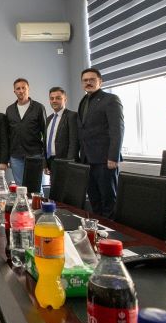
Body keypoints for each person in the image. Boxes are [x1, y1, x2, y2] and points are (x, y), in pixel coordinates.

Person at [78, 68, 124, 218]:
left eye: (92, 79)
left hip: (105, 160)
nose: (88, 82)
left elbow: (117, 129)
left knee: (108, 201)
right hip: (87, 160)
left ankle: (111, 231)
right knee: (94, 200)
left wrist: (113, 157)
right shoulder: (84, 101)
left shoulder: (111, 100)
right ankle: (98, 229)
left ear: (100, 81)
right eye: (85, 80)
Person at [5, 78, 47, 185]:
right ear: (14, 91)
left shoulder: (39, 107)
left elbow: (45, 132)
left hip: (35, 154)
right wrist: (7, 157)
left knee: (36, 187)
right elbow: (7, 134)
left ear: (28, 89)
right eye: (18, 88)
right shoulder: (10, 109)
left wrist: (45, 157)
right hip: (15, 156)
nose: (21, 91)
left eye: (23, 88)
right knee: (20, 187)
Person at [44, 87, 79, 173]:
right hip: (50, 161)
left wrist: (69, 163)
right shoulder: (49, 119)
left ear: (65, 100)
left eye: (58, 98)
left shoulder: (72, 116)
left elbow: (74, 142)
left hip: (65, 162)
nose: (54, 101)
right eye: (52, 98)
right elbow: (45, 142)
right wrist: (45, 164)